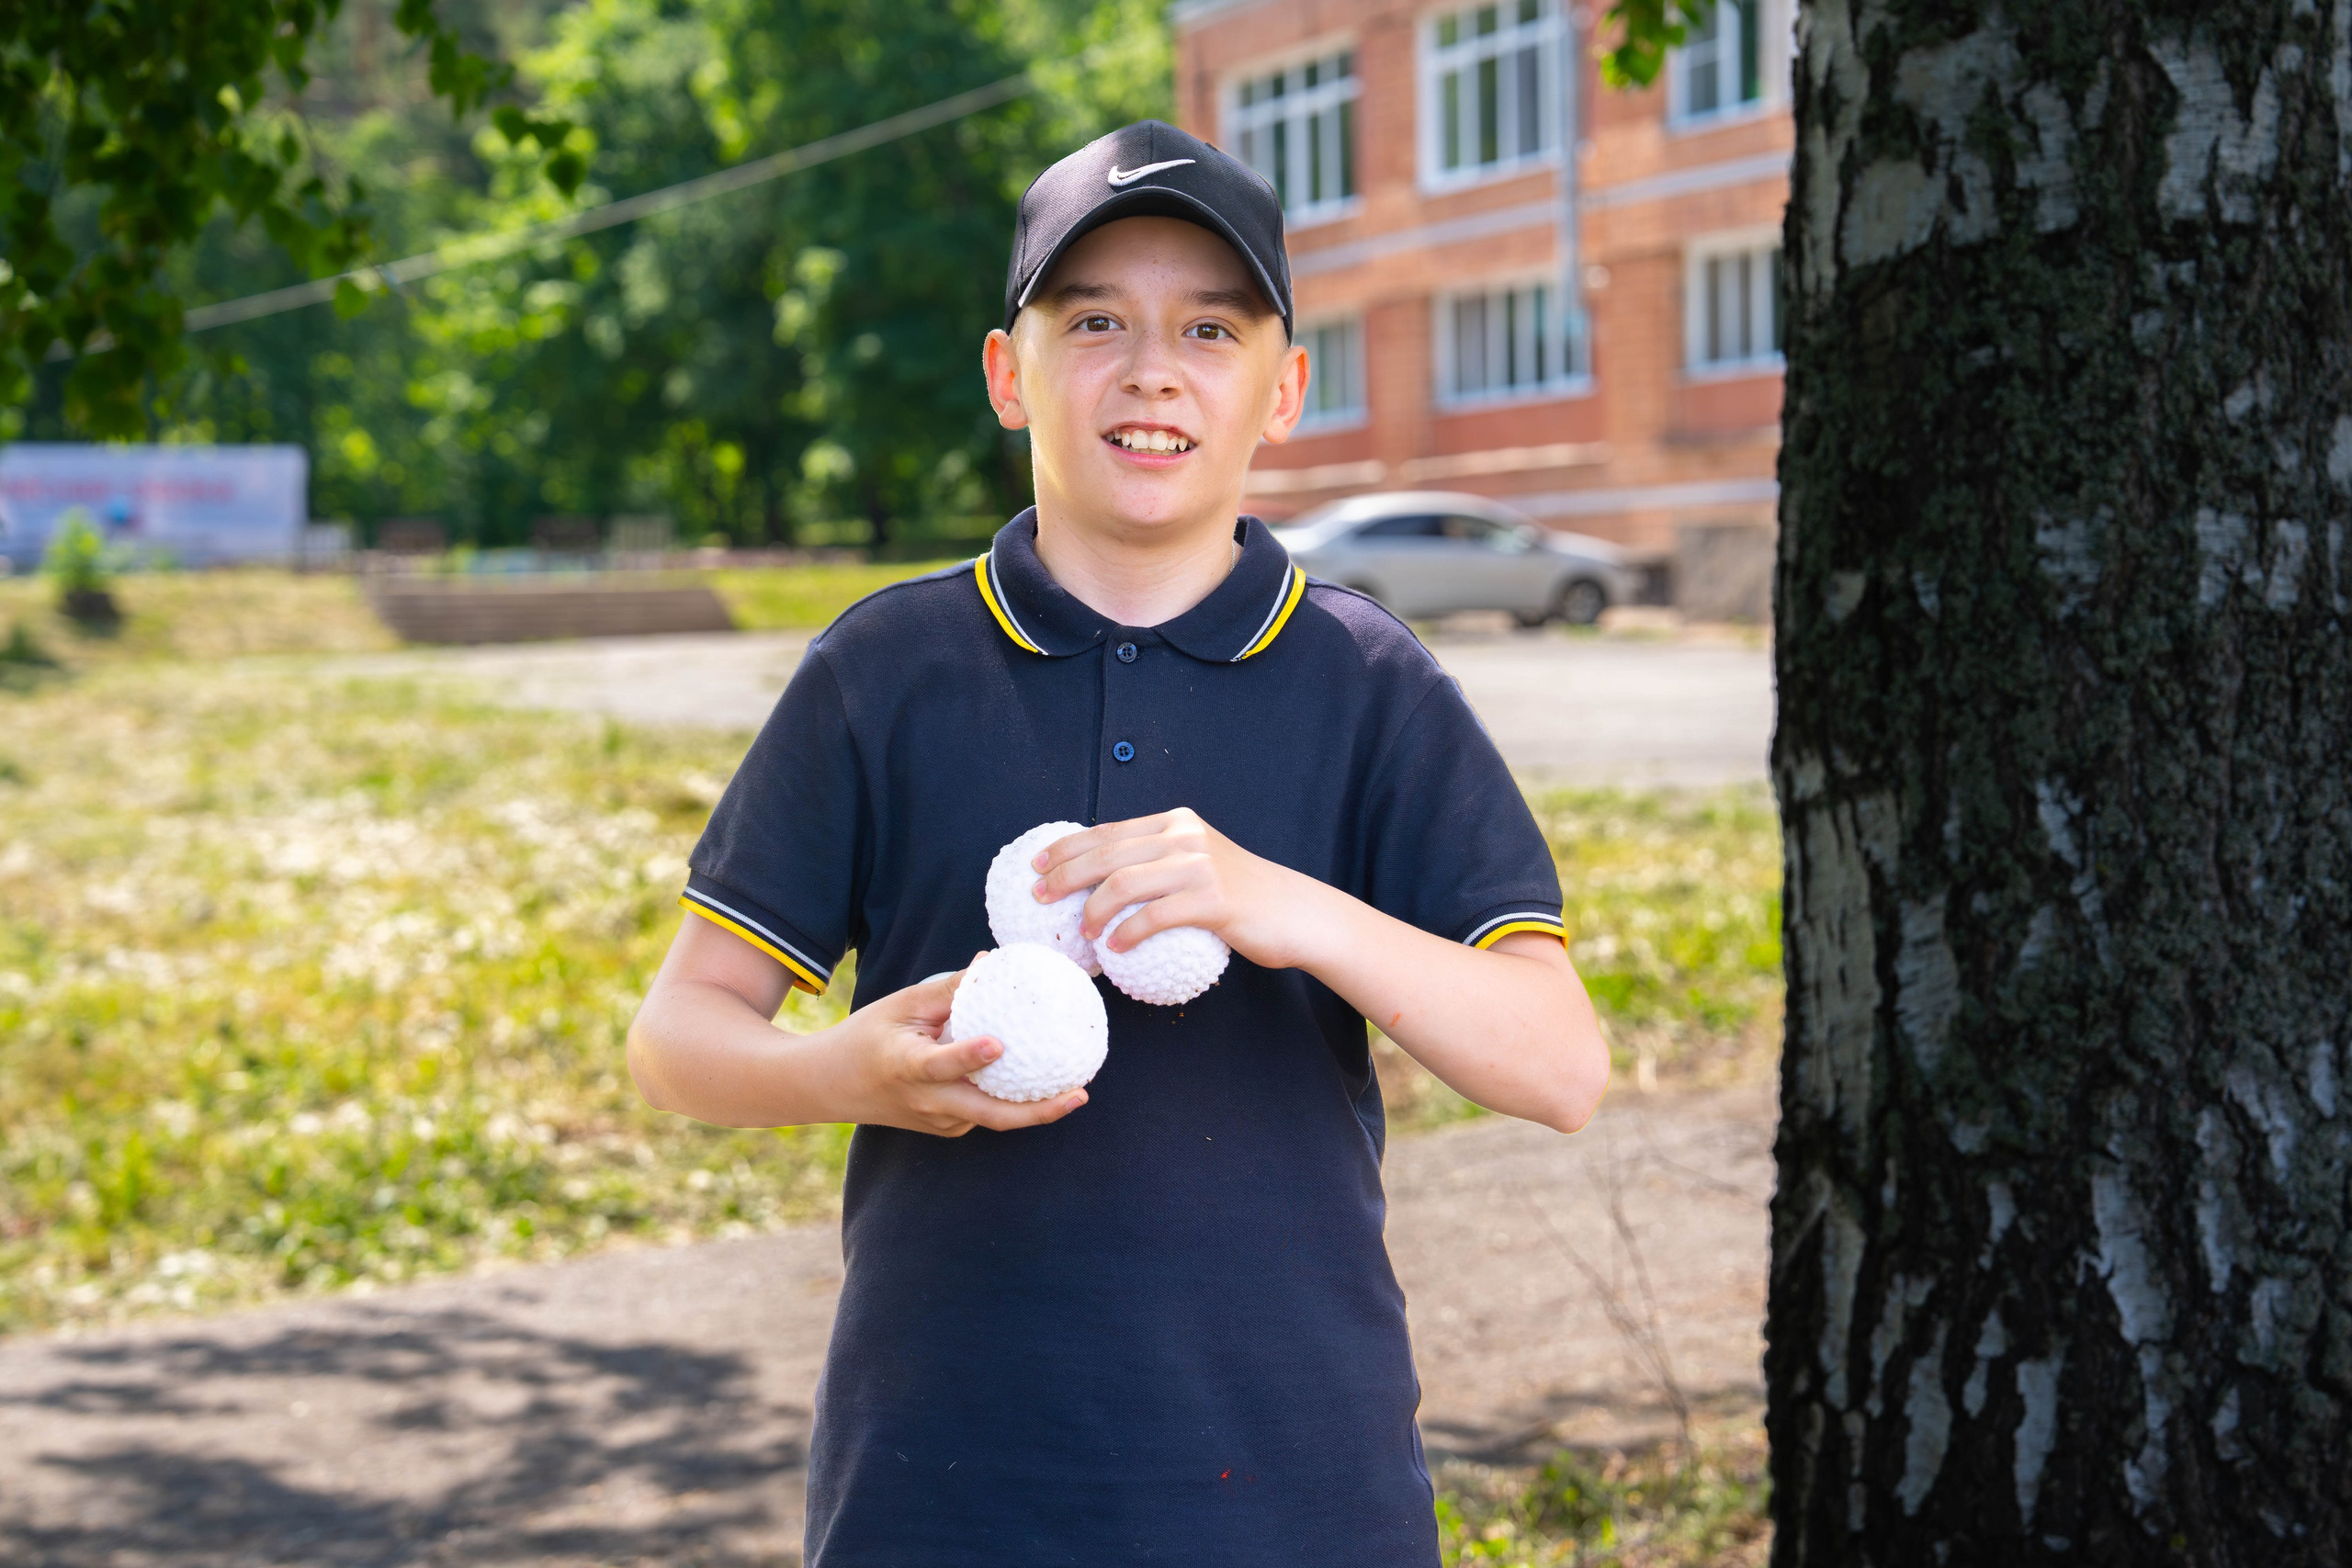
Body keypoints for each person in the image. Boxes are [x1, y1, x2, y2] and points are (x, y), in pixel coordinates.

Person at [627, 118, 1611, 1565]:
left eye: (1208, 328)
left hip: (1300, 1486)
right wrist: (843, 1073)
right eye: (1094, 319)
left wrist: (1286, 904)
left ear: (1282, 393)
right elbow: (677, 1037)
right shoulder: (886, 670)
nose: (1151, 367)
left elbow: (1562, 1066)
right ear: (1005, 375)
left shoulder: (1367, 681)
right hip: (942, 1486)